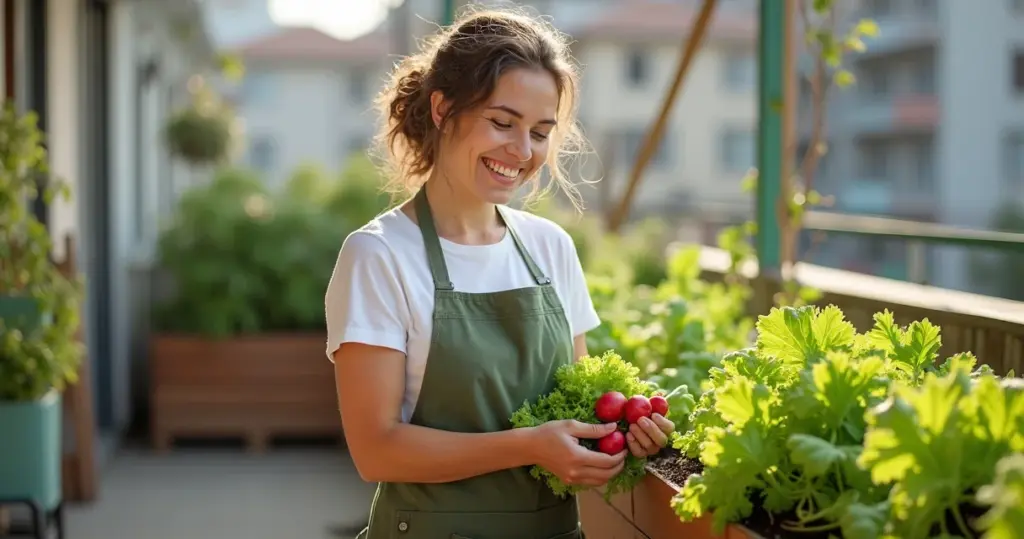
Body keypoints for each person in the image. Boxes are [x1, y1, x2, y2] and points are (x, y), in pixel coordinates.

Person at [325, 7, 675, 538]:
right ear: (443, 109)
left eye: (540, 131)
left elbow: (577, 410)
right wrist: (528, 446)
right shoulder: (379, 256)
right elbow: (376, 451)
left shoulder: (550, 247)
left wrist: (627, 429)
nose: (523, 150)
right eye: (502, 123)